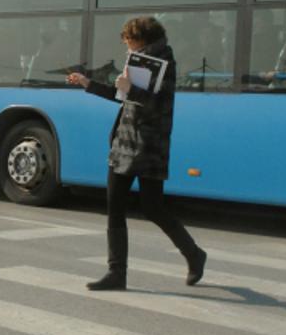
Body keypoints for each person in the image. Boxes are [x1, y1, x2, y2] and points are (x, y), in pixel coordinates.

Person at [66, 15, 206, 290]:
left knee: (153, 208)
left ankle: (194, 254)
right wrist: (87, 84)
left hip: (149, 146)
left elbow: (158, 106)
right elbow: (123, 96)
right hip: (124, 144)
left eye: (129, 42)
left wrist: (131, 89)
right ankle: (117, 273)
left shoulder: (163, 64)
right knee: (114, 206)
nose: (127, 48)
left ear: (142, 40)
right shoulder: (138, 61)